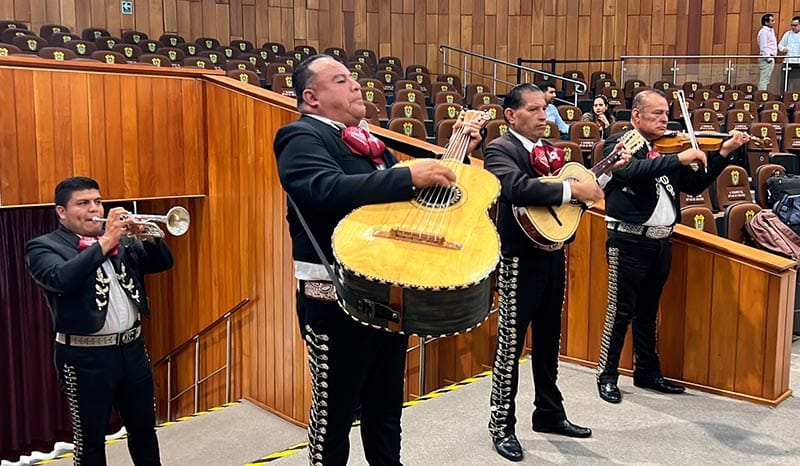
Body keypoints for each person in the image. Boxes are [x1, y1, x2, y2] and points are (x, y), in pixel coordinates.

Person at [273, 54, 481, 465]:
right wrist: (407, 175)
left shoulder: (372, 145)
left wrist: (455, 157)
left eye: (353, 78)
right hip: (333, 300)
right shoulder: (300, 137)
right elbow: (324, 188)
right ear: (311, 97)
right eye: (341, 80)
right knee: (333, 420)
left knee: (386, 411)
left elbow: (410, 203)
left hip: (386, 294)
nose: (356, 86)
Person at [483, 83, 630, 462]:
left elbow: (583, 194)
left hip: (553, 254)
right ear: (511, 116)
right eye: (533, 110)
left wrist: (609, 172)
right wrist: (571, 190)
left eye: (544, 110)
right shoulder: (501, 148)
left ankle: (548, 412)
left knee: (549, 341)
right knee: (510, 345)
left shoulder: (552, 152)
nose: (543, 117)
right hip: (518, 259)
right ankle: (501, 422)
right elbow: (516, 189)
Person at [596, 90, 749, 404]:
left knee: (649, 312)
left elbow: (693, 184)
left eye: (666, 113)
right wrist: (677, 159)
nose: (665, 119)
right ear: (636, 116)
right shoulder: (624, 143)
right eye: (657, 113)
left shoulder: (667, 147)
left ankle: (648, 373)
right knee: (620, 311)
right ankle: (607, 375)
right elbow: (627, 171)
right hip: (628, 239)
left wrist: (724, 152)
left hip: (661, 241)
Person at [25, 176, 174, 466]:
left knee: (144, 430)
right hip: (84, 357)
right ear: (61, 212)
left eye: (97, 201)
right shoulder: (42, 247)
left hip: (132, 350)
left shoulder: (122, 241)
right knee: (90, 441)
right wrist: (107, 241)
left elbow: (162, 263)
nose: (94, 209)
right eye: (83, 203)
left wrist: (149, 237)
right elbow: (61, 279)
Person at [778, 16, 800, 91]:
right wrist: (783, 49)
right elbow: (780, 45)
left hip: (798, 63)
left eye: (795, 25)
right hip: (788, 62)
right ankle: (783, 97)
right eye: (792, 25)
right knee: (785, 83)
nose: (793, 27)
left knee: (797, 84)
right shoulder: (788, 34)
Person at [758, 13, 778, 90]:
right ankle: (761, 96)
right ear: (766, 22)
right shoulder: (764, 32)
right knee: (764, 79)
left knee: (766, 79)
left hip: (771, 57)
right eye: (772, 21)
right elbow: (763, 46)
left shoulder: (770, 31)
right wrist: (768, 58)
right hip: (767, 58)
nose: (774, 22)